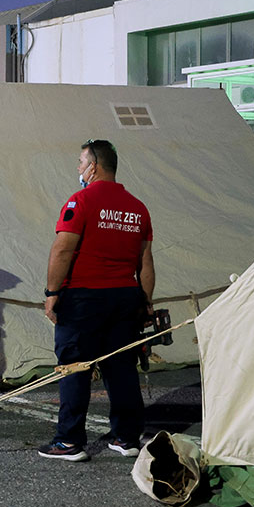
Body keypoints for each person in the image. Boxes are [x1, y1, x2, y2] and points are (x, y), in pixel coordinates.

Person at [39, 139, 154, 462]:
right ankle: (127, 437)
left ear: (94, 166)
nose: (78, 168)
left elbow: (62, 249)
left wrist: (52, 293)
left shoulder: (81, 201)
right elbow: (145, 261)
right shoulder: (137, 207)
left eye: (80, 162)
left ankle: (69, 441)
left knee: (74, 367)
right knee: (121, 366)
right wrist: (146, 302)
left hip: (84, 298)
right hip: (125, 297)